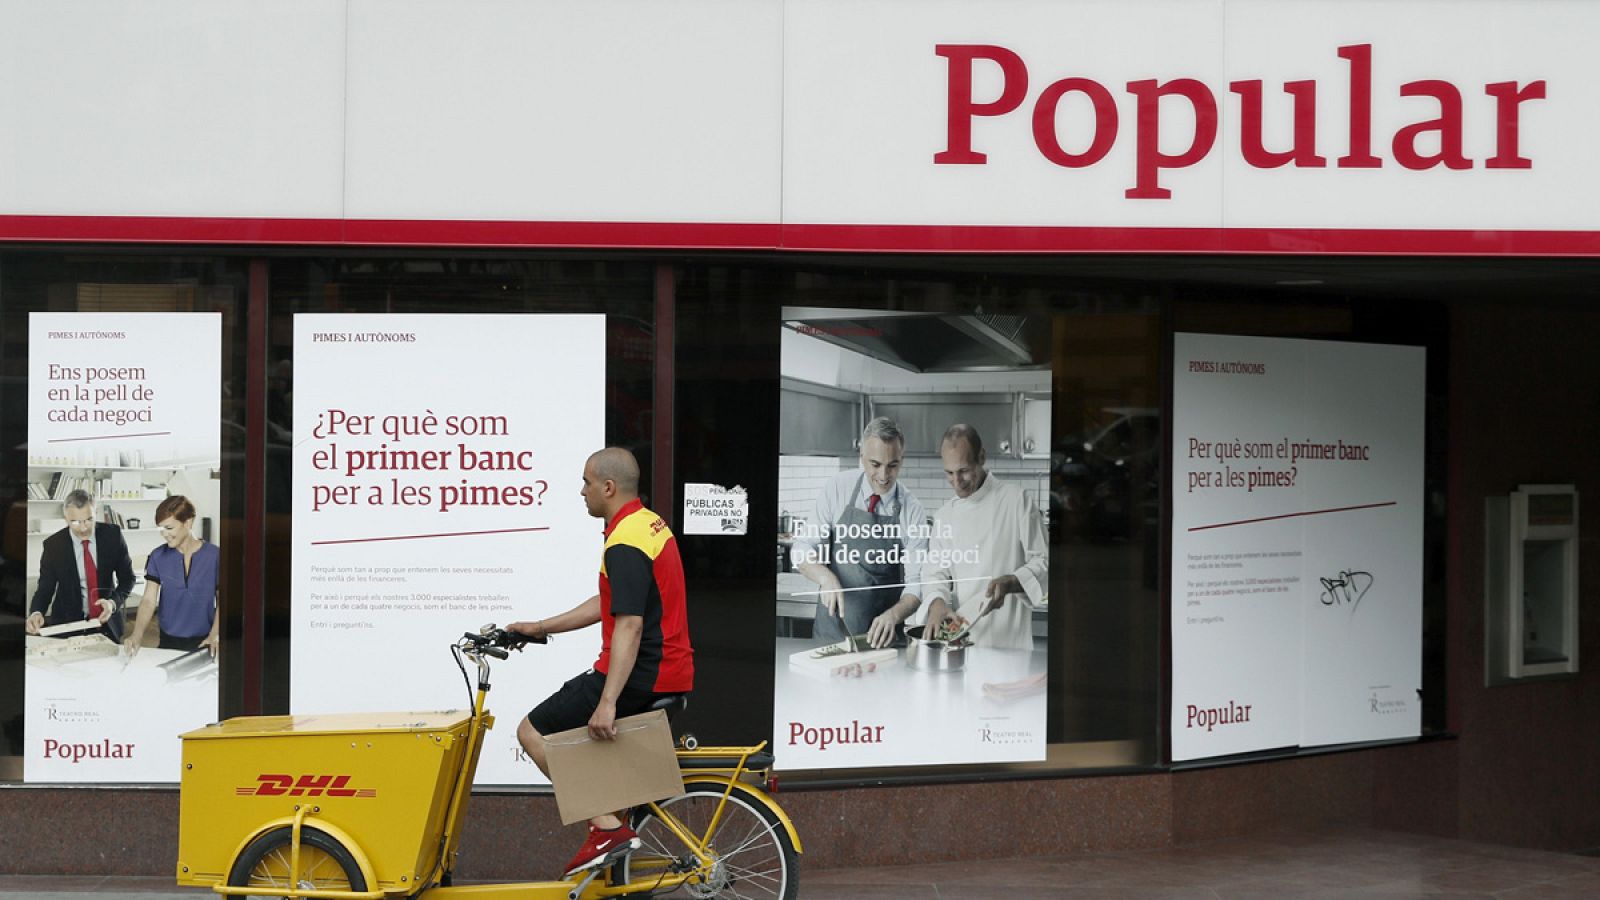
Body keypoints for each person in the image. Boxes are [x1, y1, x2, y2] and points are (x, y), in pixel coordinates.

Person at [508, 447, 694, 878]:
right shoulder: (646, 525)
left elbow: (628, 625)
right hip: (668, 667)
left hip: (642, 673)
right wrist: (541, 626)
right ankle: (616, 839)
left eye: (587, 482)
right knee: (595, 758)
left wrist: (607, 701)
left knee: (532, 731)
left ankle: (605, 828)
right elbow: (611, 602)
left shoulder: (626, 539)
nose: (582, 491)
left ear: (608, 487)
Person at [791, 417, 928, 649]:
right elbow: (802, 548)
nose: (884, 476)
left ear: (901, 460)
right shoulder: (836, 489)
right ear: (861, 458)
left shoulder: (912, 511)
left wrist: (894, 615)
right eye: (875, 464)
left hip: (883, 641)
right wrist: (824, 577)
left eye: (893, 465)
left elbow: (917, 584)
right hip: (832, 636)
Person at [920, 424, 1048, 650]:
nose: (957, 482)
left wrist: (1011, 582)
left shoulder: (1016, 501)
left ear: (982, 457)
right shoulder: (944, 516)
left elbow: (1044, 561)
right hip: (962, 647)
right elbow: (934, 574)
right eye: (949, 473)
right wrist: (937, 603)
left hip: (1011, 646)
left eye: (964, 470)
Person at [25, 490, 134, 643]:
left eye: (89, 520)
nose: (83, 528)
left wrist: (112, 603)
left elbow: (128, 579)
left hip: (106, 622)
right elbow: (45, 588)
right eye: (75, 522)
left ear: (96, 513)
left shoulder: (113, 536)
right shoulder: (53, 546)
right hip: (67, 624)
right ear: (66, 519)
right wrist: (36, 612)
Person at [125, 496, 220, 657]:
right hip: (168, 640)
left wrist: (215, 635)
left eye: (169, 528)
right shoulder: (157, 556)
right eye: (160, 529)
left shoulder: (215, 556)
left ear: (188, 522)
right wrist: (137, 634)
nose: (164, 534)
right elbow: (148, 600)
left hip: (205, 641)